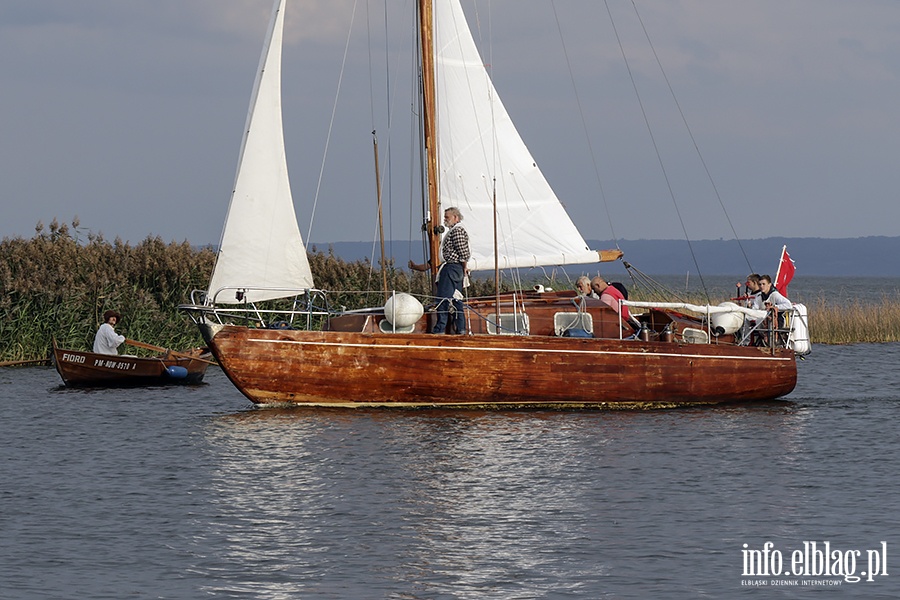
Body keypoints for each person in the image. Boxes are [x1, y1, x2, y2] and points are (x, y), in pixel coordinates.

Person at [432, 207, 470, 334]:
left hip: (452, 267)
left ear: (456, 217)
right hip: (453, 267)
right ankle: (460, 329)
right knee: (455, 299)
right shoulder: (455, 230)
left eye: (447, 217)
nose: (444, 220)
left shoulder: (457, 231)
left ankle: (440, 329)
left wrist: (464, 267)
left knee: (443, 298)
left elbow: (463, 252)